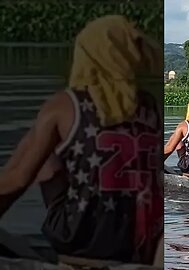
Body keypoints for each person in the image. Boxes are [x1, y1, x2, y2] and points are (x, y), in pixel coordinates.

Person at [0, 15, 163, 267]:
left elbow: (16, 180)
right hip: (142, 245)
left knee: (45, 152)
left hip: (83, 246)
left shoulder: (66, 105)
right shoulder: (150, 107)